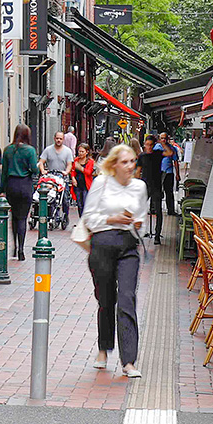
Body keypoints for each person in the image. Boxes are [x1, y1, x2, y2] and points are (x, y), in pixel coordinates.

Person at [79, 144, 150, 378]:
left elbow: (141, 218)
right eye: (125, 162)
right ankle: (103, 348)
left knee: (127, 298)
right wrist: (113, 218)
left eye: (133, 161)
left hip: (128, 246)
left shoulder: (140, 187)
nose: (130, 166)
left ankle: (128, 361)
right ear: (114, 165)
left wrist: (136, 222)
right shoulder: (102, 183)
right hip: (102, 245)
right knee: (106, 298)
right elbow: (88, 217)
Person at [1, 125, 40, 260]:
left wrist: (2, 190)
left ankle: (14, 247)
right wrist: (31, 170)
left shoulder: (8, 150)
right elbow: (35, 170)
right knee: (23, 218)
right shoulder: (30, 150)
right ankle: (21, 249)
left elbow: (4, 172)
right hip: (25, 185)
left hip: (11, 185)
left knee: (14, 217)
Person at [137, 135, 165, 240]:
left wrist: (162, 142)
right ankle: (139, 233)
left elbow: (170, 152)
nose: (148, 147)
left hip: (156, 185)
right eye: (147, 145)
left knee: (158, 211)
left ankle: (157, 235)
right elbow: (138, 171)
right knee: (139, 210)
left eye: (151, 145)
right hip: (144, 186)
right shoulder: (142, 156)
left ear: (154, 145)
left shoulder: (158, 154)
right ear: (144, 144)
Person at [71, 142, 98, 220]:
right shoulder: (76, 160)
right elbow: (73, 170)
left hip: (86, 185)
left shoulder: (90, 162)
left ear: (87, 152)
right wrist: (73, 178)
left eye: (82, 151)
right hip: (77, 185)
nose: (80, 153)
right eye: (79, 151)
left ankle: (85, 219)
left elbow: (89, 172)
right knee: (79, 204)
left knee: (85, 202)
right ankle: (81, 219)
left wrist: (80, 168)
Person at [158, 133, 181, 217]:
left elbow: (175, 162)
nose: (163, 140)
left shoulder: (172, 149)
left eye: (165, 138)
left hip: (168, 173)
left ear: (168, 139)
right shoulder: (157, 148)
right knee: (157, 192)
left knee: (169, 192)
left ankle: (170, 210)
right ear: (159, 139)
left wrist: (177, 174)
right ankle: (155, 209)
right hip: (158, 173)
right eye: (162, 138)